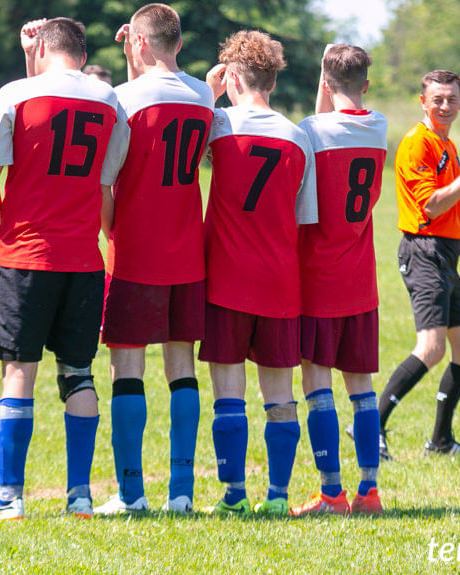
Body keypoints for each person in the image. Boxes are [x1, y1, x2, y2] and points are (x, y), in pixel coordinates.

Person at [0, 17, 130, 520]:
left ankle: (9, 497)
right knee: (78, 372)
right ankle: (79, 496)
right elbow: (107, 182)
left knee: (20, 370)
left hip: (25, 256)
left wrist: (8, 217)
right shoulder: (109, 100)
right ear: (81, 51)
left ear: (40, 47)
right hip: (83, 259)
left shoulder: (15, 93)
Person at [94, 3, 214, 516]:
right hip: (188, 247)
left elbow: (107, 180)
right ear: (179, 44)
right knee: (180, 367)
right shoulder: (205, 95)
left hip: (137, 249)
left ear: (137, 43)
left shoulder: (124, 98)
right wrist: (133, 55)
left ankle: (131, 493)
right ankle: (182, 494)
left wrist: (112, 229)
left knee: (128, 368)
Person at [200, 30, 317, 516]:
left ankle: (233, 497)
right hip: (279, 280)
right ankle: (278, 496)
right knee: (279, 395)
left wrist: (207, 92)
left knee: (228, 391)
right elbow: (304, 217)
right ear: (272, 78)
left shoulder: (219, 125)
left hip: (225, 276)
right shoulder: (297, 136)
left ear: (231, 77)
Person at [378, 69, 460, 459]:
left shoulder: (446, 143)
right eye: (438, 99)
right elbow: (432, 206)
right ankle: (371, 427)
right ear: (422, 100)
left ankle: (441, 441)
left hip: (446, 253)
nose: (445, 105)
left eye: (452, 99)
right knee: (430, 349)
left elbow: (451, 213)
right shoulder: (417, 145)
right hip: (423, 252)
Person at [290, 44, 385, 516]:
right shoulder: (380, 125)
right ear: (366, 85)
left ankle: (332, 493)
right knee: (361, 386)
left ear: (325, 85)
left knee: (317, 384)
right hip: (360, 278)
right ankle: (369, 491)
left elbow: (317, 125)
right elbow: (335, 118)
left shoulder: (311, 129)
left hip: (317, 276)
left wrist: (321, 79)